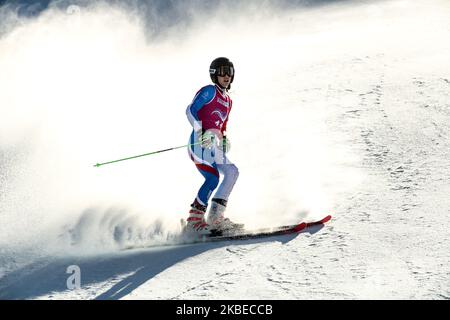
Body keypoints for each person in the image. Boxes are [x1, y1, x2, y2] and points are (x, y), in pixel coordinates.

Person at [184, 57, 242, 235]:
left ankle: (216, 218)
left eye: (229, 72)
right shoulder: (209, 91)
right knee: (213, 178)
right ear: (214, 74)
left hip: (213, 146)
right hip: (199, 143)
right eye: (223, 72)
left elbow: (222, 125)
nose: (227, 76)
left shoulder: (228, 101)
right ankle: (194, 221)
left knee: (232, 172)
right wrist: (201, 132)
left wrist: (223, 139)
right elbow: (190, 110)